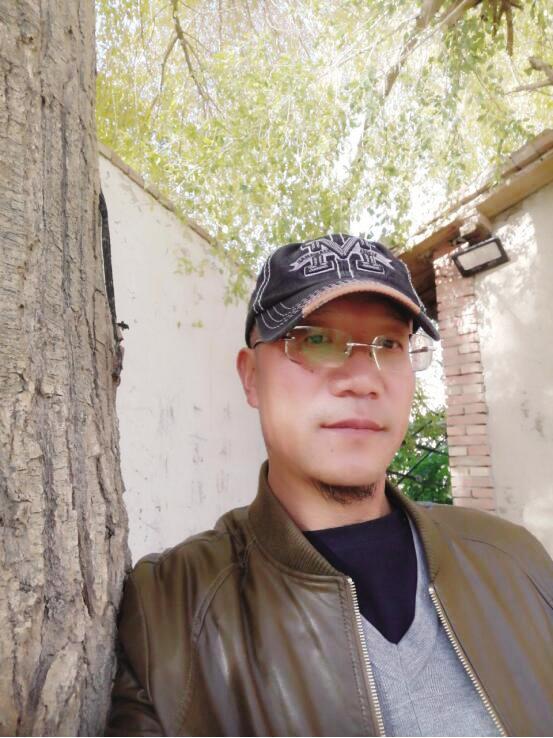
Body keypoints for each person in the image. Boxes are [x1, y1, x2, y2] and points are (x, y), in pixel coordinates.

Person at [106, 234, 553, 737]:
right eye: (316, 340)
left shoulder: (517, 561)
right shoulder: (169, 610)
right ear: (251, 377)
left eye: (389, 344)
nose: (362, 380)